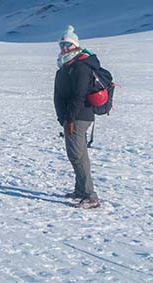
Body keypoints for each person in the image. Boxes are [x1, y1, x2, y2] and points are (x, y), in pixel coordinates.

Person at [54, 25, 101, 209]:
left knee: (77, 155)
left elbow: (79, 96)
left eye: (68, 44)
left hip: (78, 117)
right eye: (62, 44)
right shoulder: (65, 66)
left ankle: (91, 196)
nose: (64, 47)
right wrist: (63, 118)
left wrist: (70, 118)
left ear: (75, 45)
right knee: (78, 155)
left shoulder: (80, 66)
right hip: (70, 117)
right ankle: (80, 190)